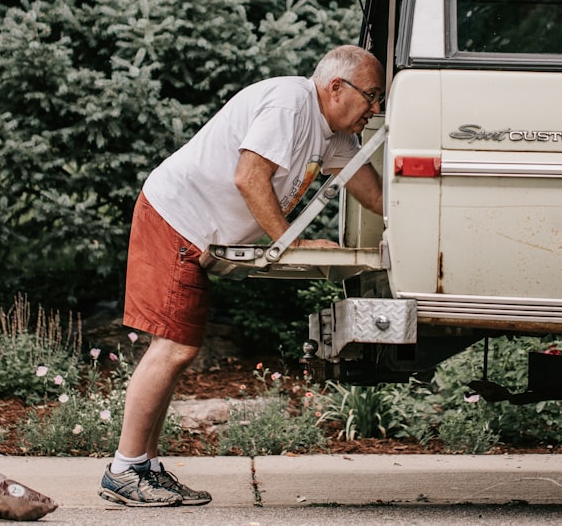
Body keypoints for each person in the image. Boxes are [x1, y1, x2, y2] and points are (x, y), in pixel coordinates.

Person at [98, 44, 385, 507]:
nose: (374, 110)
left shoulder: (333, 135)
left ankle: (144, 467)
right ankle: (124, 470)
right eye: (371, 96)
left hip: (191, 227)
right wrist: (291, 242)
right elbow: (249, 176)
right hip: (176, 217)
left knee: (177, 349)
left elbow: (369, 190)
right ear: (336, 88)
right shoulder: (292, 104)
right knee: (173, 347)